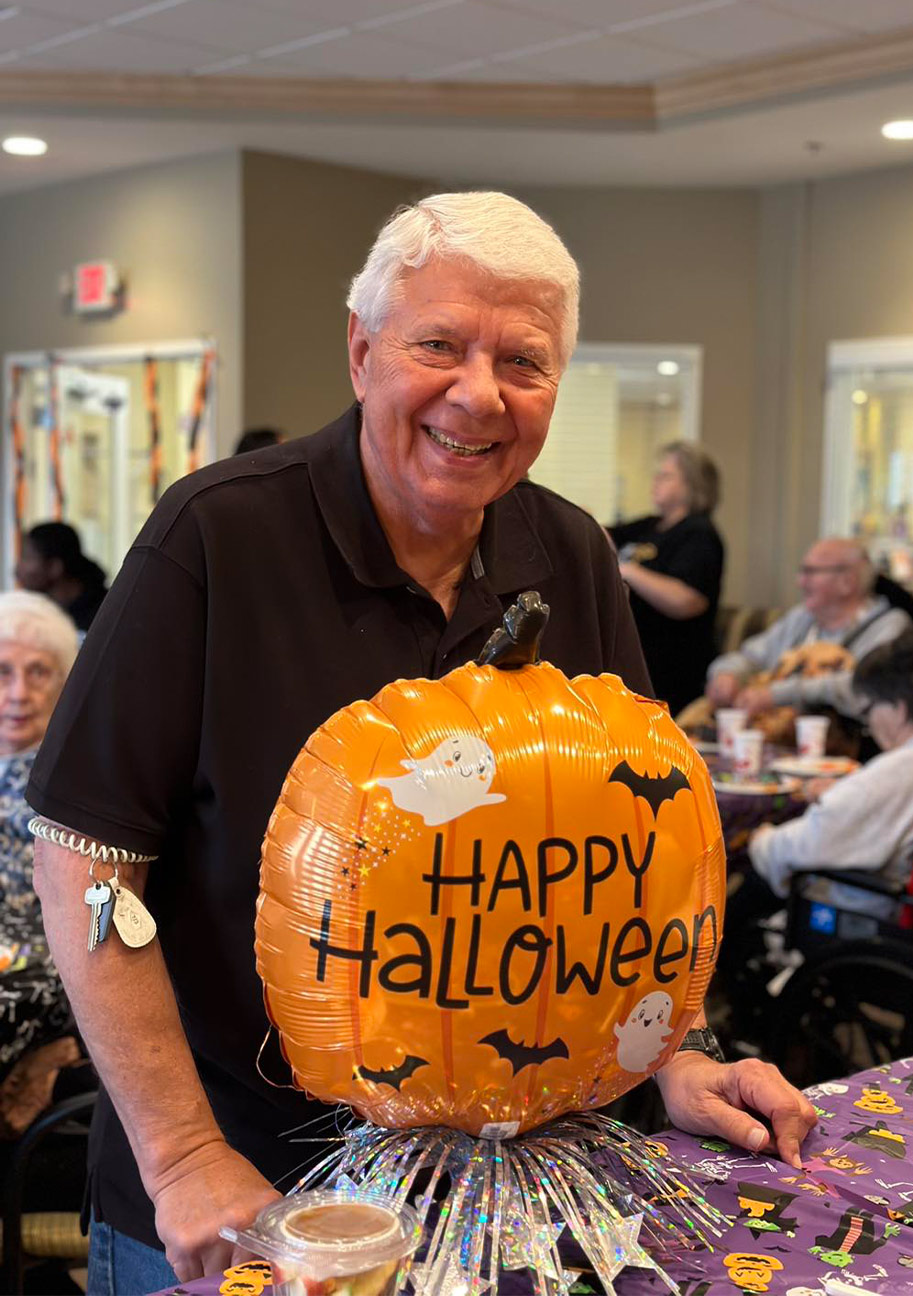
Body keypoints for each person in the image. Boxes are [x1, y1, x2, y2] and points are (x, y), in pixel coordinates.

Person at [27, 191, 817, 1293]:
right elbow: (88, 859)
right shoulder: (217, 539)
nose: (478, 394)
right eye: (437, 344)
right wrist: (182, 1153)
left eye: (524, 363)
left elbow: (634, 850)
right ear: (361, 353)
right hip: (247, 1190)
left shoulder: (571, 551)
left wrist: (668, 1055)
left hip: (511, 1195)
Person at [745, 628, 913, 905]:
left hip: (881, 923)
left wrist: (760, 840)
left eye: (868, 710)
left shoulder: (898, 772)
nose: (870, 724)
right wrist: (847, 790)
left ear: (898, 708)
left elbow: (796, 848)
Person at [0, 592, 79, 1120]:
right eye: (3, 672)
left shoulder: (72, 775)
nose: (18, 694)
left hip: (45, 967)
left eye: (39, 673)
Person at [705, 538, 910, 720]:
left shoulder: (889, 626)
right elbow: (751, 656)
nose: (800, 582)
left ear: (848, 582)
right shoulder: (802, 618)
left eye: (811, 572)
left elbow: (862, 686)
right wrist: (727, 674)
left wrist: (776, 695)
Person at [610, 442, 726, 712]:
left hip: (675, 670)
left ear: (692, 484)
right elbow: (598, 534)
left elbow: (688, 600)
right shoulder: (651, 525)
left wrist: (628, 571)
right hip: (639, 664)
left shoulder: (699, 534)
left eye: (665, 476)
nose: (655, 483)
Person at [14, 521, 109, 633]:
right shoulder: (43, 615)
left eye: (27, 558)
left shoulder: (105, 616)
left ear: (55, 567)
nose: (17, 569)